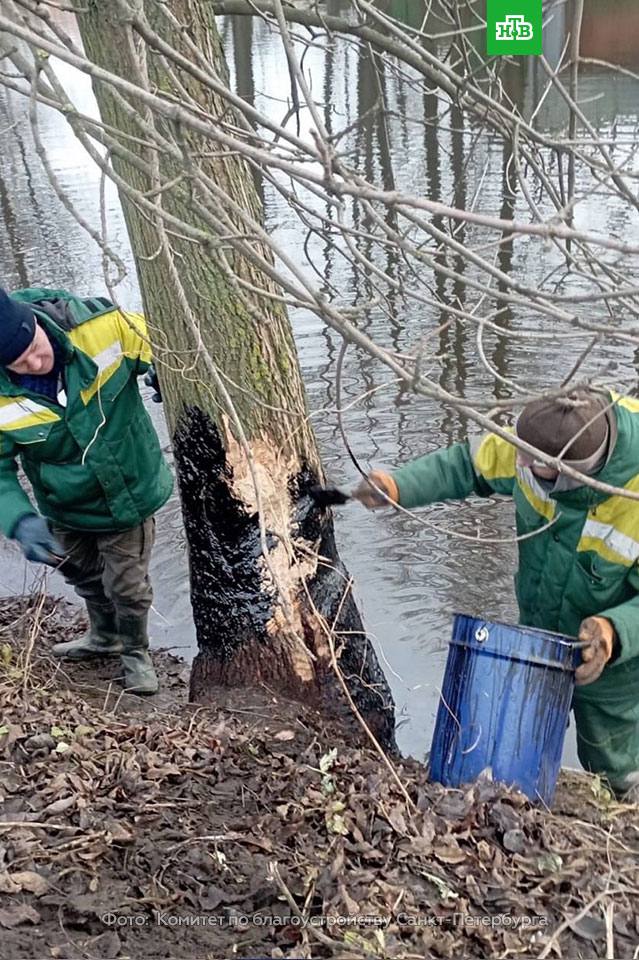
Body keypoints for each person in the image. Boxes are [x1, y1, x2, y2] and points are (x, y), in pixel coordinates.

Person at [354, 388, 639, 798]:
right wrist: (398, 486)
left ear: (572, 474)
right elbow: (465, 466)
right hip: (539, 637)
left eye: (533, 463)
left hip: (615, 664)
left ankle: (621, 817)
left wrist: (614, 631)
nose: (518, 461)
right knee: (523, 732)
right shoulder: (541, 441)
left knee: (611, 760)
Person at [0, 286, 173, 695]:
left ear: (35, 323)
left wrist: (166, 372)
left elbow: (164, 343)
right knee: (78, 570)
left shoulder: (100, 326)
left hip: (127, 491)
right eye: (19, 363)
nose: (36, 362)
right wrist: (20, 520)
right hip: (64, 503)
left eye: (34, 347)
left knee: (128, 587)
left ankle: (136, 652)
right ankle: (104, 635)